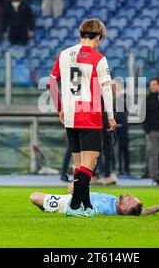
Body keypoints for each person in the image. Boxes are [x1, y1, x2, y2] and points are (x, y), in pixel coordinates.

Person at [48, 18, 116, 217]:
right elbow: (107, 90)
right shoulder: (98, 58)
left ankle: (86, 205)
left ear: (80, 35)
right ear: (98, 37)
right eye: (99, 40)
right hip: (90, 115)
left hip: (70, 115)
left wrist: (60, 108)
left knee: (78, 165)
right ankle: (75, 206)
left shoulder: (63, 54)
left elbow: (51, 84)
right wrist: (110, 117)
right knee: (90, 163)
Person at [30, 182, 159, 216]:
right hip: (74, 196)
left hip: (67, 203)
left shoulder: (105, 210)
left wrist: (77, 193)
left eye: (130, 199)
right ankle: (48, 209)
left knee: (34, 196)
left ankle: (49, 209)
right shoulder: (118, 202)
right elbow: (143, 212)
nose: (130, 195)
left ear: (123, 208)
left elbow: (84, 212)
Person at [114, 78, 130, 175]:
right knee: (113, 149)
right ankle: (116, 168)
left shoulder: (125, 96)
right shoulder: (110, 96)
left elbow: (125, 110)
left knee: (123, 148)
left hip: (123, 125)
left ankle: (126, 169)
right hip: (113, 126)